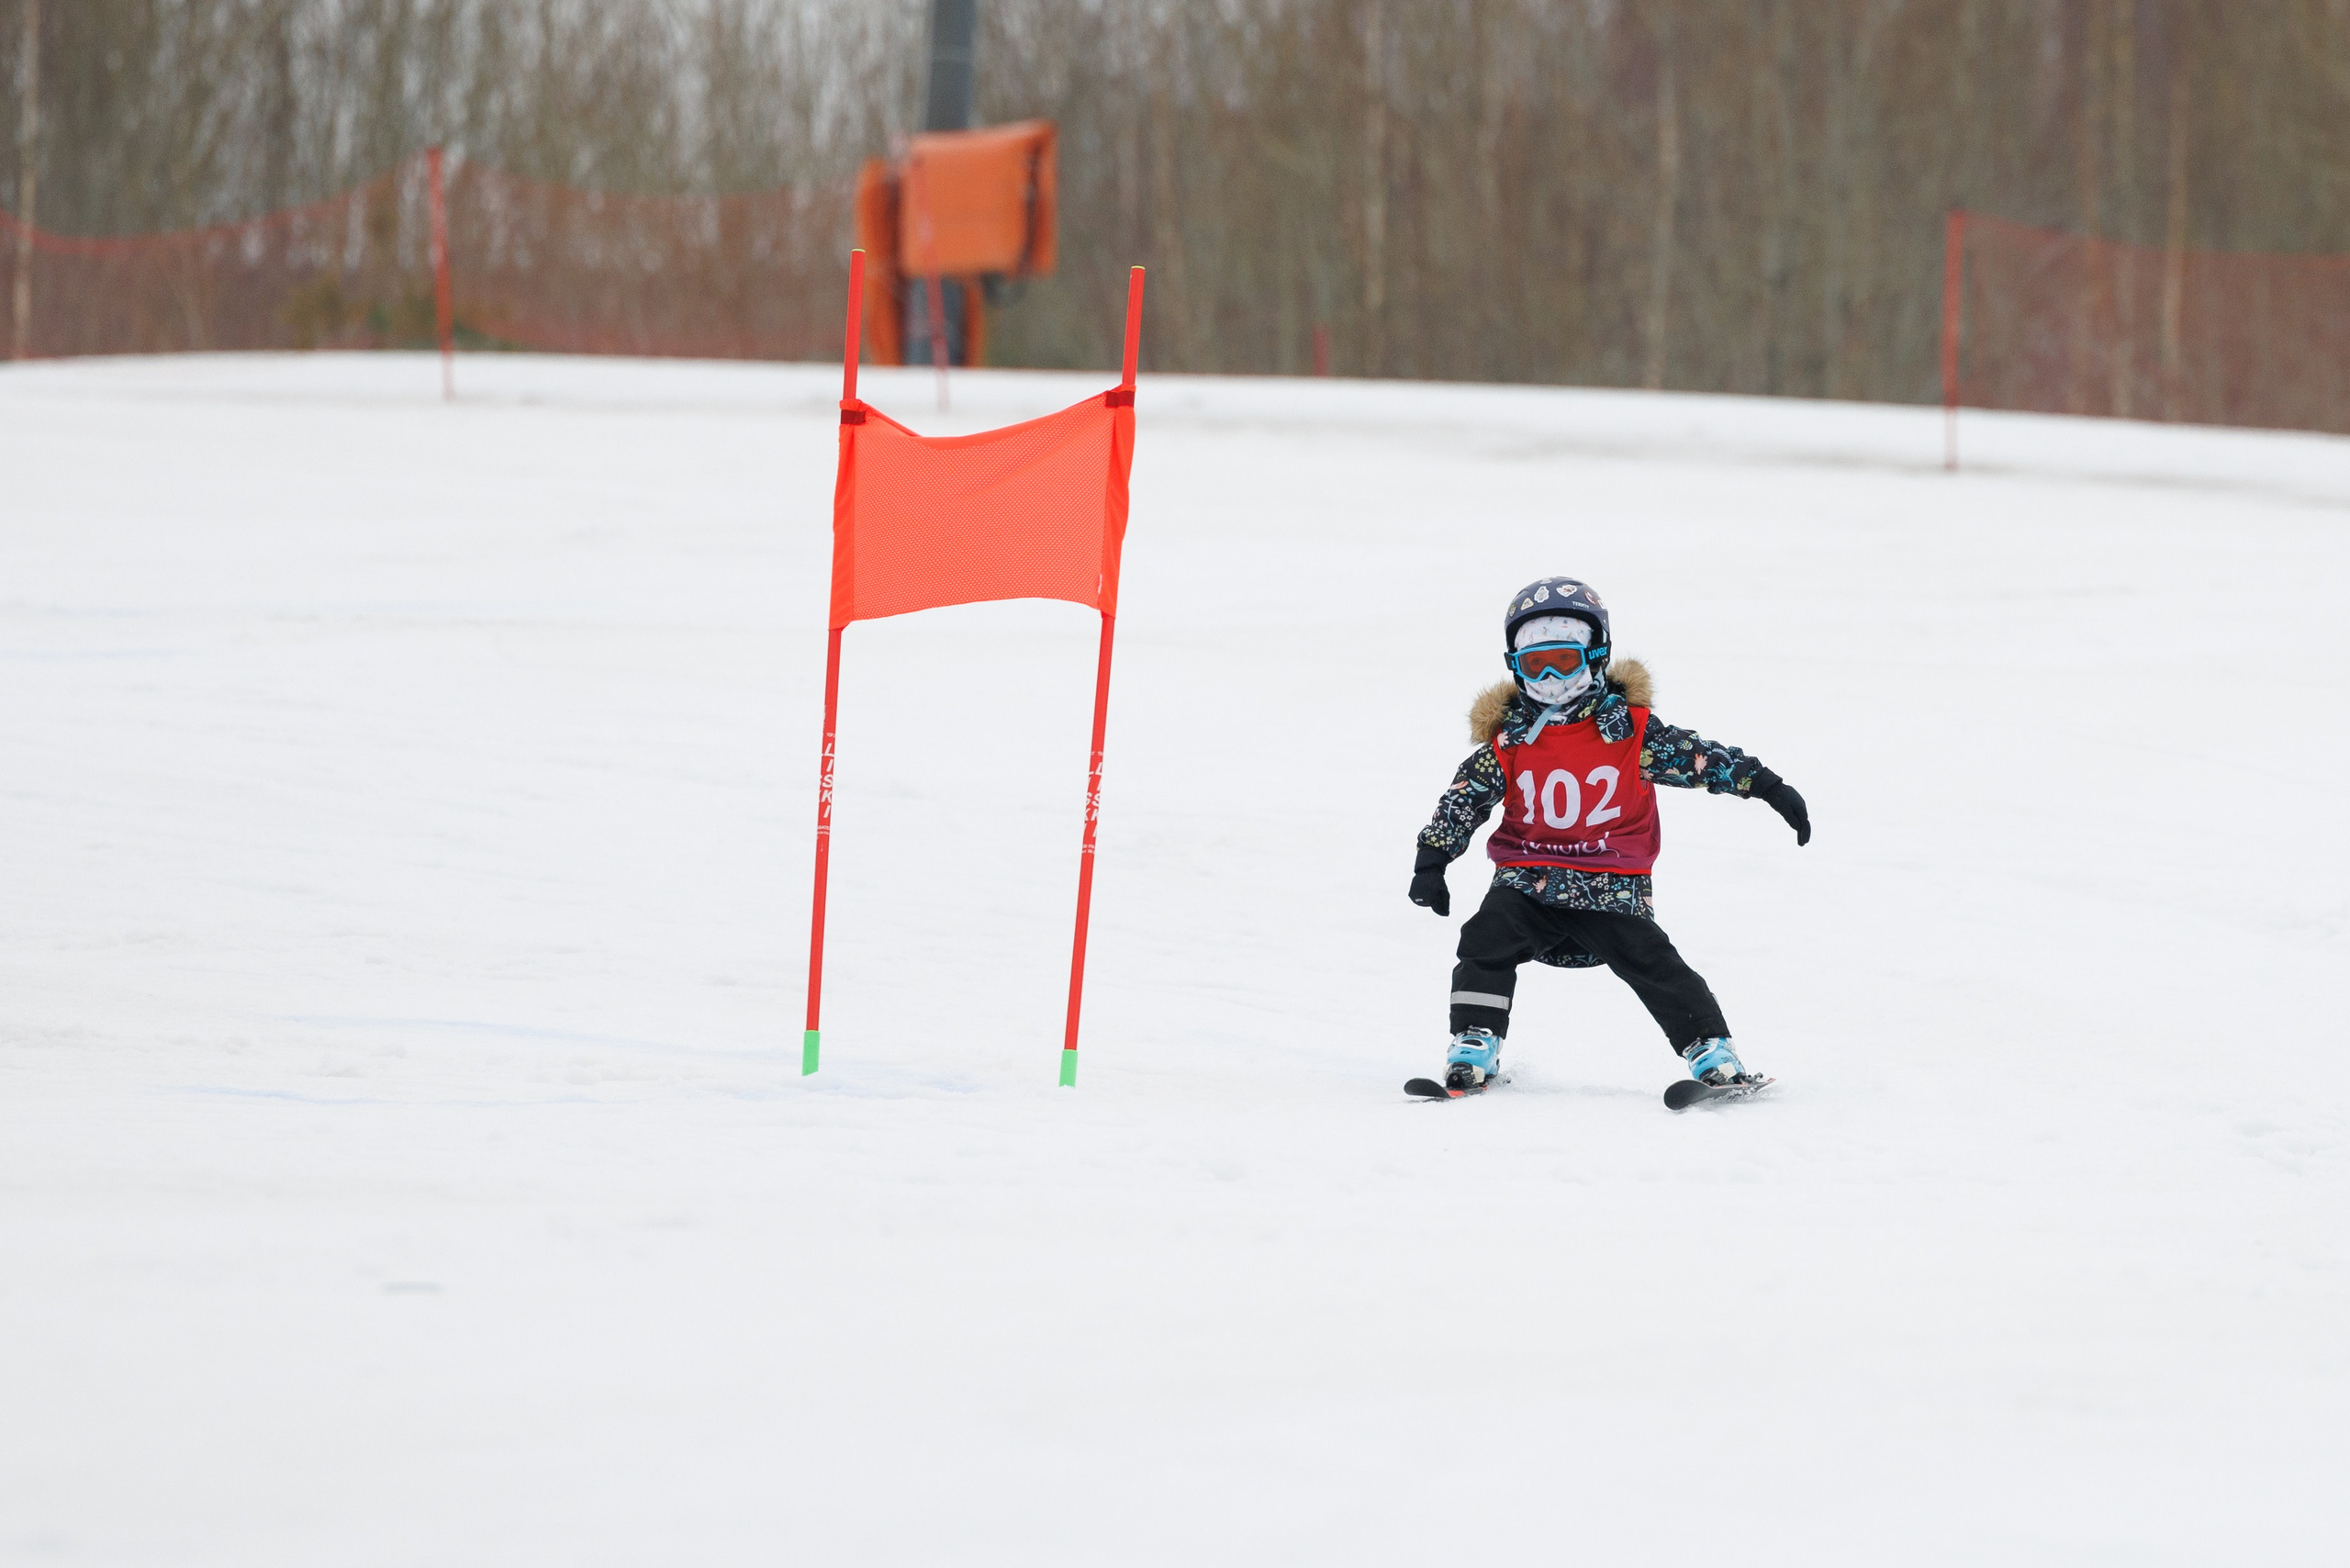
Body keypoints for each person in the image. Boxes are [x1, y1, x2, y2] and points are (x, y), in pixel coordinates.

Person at [1409, 577, 1809, 1092]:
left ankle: (1713, 1054)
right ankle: (1474, 1043)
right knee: (1485, 938)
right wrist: (1432, 859)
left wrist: (1768, 787)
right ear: (1514, 666)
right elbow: (1465, 797)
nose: (1551, 677)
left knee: (1654, 962)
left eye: (1566, 661)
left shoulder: (1633, 732)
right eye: (1536, 664)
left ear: (1597, 655)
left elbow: (1700, 759)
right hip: (1526, 881)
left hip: (1610, 883)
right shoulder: (1510, 742)